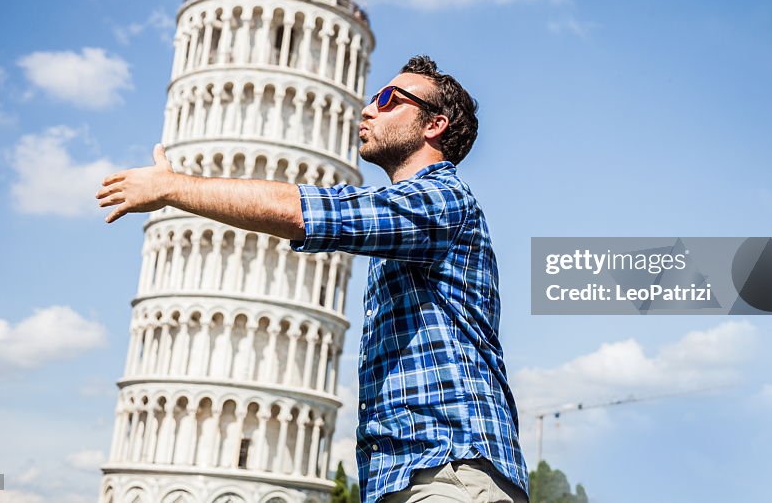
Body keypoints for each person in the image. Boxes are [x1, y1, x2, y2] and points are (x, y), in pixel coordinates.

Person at [97, 55, 529, 503]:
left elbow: (302, 211)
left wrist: (174, 189)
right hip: (416, 475)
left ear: (433, 125)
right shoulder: (411, 219)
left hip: (450, 470)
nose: (367, 109)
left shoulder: (441, 199)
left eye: (388, 100)